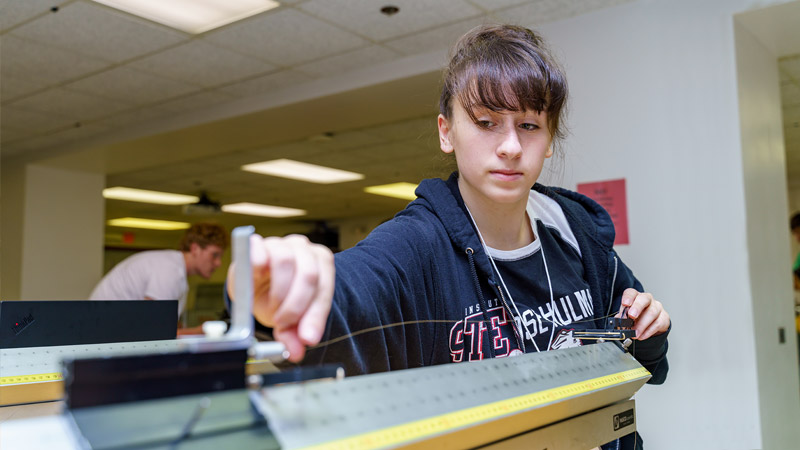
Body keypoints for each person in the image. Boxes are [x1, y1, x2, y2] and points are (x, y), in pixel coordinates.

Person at [228, 24, 670, 450]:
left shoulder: (573, 226)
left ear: (550, 137)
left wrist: (649, 332)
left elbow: (637, 356)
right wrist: (273, 286)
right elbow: (349, 291)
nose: (511, 146)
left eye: (530, 126)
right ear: (447, 132)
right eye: (486, 121)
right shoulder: (416, 246)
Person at [91, 222, 228, 319]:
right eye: (214, 255)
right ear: (195, 249)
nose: (218, 263)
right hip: (103, 336)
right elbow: (153, 330)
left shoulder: (172, 266)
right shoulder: (169, 270)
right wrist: (201, 332)